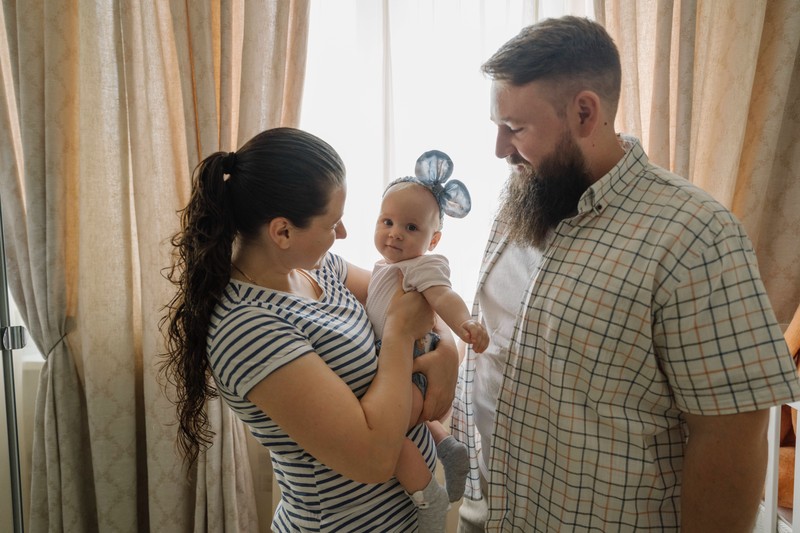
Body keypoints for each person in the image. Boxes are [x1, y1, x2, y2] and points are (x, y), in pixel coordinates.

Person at [451, 15, 800, 532]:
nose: (500, 150)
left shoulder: (694, 235)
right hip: (493, 511)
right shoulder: (524, 198)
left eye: (515, 130)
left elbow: (730, 432)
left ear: (585, 112)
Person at [161, 127, 459, 532]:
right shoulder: (247, 328)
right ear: (282, 231)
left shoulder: (319, 270)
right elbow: (371, 459)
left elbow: (413, 289)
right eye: (332, 222)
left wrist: (447, 352)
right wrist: (400, 337)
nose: (343, 235)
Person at [364, 150, 490, 531]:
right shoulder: (384, 268)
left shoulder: (422, 267)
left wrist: (466, 322)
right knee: (404, 423)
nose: (395, 232)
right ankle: (446, 445)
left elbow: (443, 298)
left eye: (411, 228)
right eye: (387, 221)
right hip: (398, 369)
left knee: (387, 435)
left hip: (413, 369)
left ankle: (427, 497)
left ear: (433, 239)